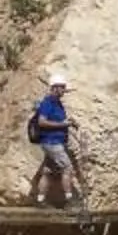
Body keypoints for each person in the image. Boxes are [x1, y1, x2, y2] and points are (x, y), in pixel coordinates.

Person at [29, 72, 81, 207]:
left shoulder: (58, 104)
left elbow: (57, 120)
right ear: (55, 87)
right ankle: (69, 201)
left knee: (48, 171)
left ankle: (41, 201)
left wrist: (68, 121)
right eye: (62, 87)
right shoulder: (47, 103)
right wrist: (65, 124)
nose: (64, 90)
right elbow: (42, 122)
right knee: (67, 168)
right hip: (51, 142)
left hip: (55, 142)